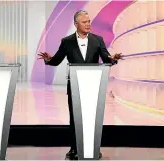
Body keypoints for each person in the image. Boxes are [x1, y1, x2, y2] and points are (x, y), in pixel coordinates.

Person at [38, 10, 122, 160]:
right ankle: (74, 148)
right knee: (75, 118)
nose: (88, 24)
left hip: (93, 85)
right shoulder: (67, 41)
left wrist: (113, 58)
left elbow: (105, 58)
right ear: (76, 24)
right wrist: (48, 59)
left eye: (89, 21)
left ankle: (93, 147)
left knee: (92, 117)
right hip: (75, 86)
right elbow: (57, 60)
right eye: (84, 22)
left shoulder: (98, 40)